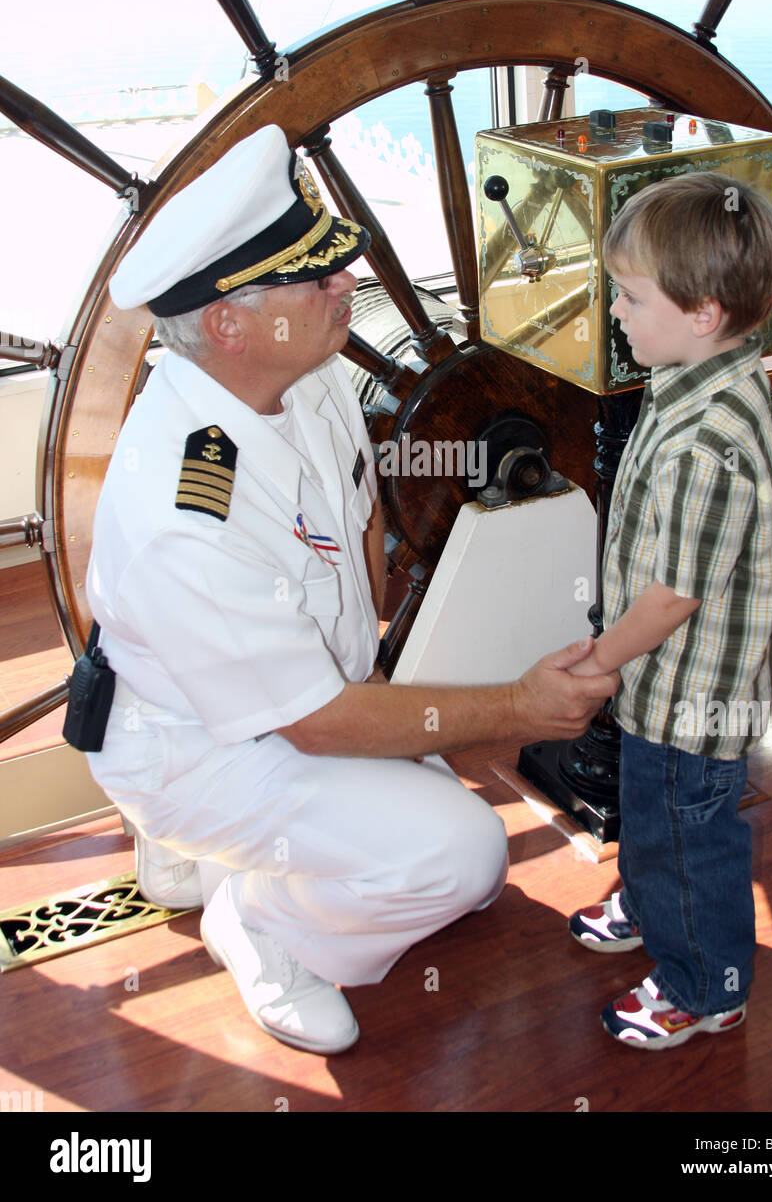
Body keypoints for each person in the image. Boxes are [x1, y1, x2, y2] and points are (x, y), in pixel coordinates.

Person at [85, 124, 619, 1055]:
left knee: (462, 865)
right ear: (228, 324)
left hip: (284, 695)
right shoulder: (184, 509)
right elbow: (314, 726)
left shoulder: (309, 372)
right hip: (196, 745)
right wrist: (518, 706)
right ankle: (259, 924)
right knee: (465, 855)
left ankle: (211, 860)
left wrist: (374, 664)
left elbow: (361, 509)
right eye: (314, 277)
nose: (346, 285)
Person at [566, 170, 772, 1049]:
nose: (616, 312)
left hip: (686, 697)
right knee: (653, 810)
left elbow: (672, 596)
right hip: (670, 686)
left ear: (702, 311)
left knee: (689, 833)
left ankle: (704, 985)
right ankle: (653, 895)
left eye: (628, 296)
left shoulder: (707, 442)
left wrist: (599, 661)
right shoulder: (706, 378)